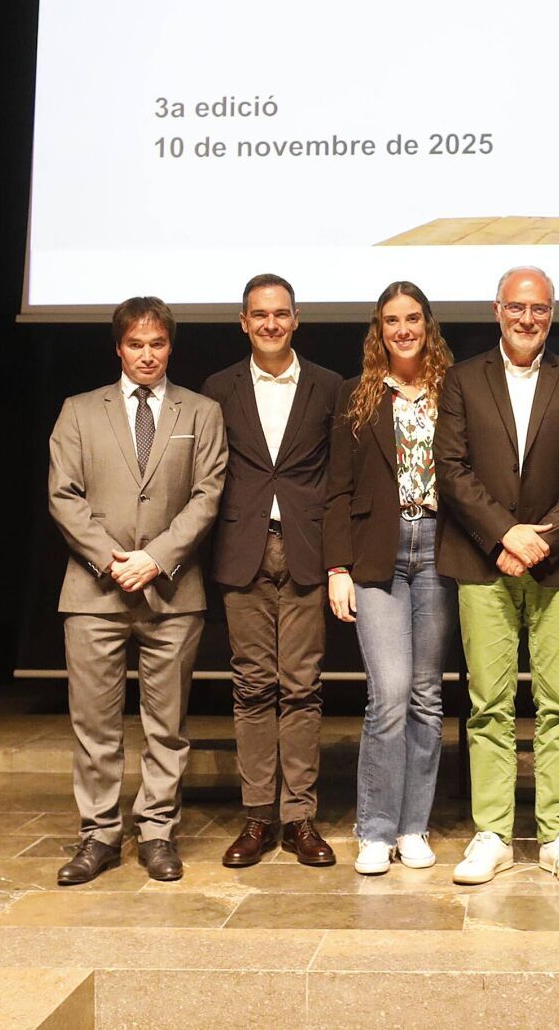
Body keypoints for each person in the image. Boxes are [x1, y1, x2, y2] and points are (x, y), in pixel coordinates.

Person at [436, 266, 559, 887]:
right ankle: (495, 834)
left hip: (558, 563)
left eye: (538, 308)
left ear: (551, 314)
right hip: (484, 560)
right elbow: (451, 469)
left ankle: (558, 835)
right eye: (517, 307)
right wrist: (504, 533)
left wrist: (541, 538)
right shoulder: (461, 379)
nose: (527, 318)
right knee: (489, 705)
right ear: (497, 310)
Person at [46, 297, 226, 885]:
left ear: (171, 347)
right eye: (135, 345)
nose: (147, 355)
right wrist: (111, 559)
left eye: (157, 344)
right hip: (94, 591)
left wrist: (155, 559)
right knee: (94, 723)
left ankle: (156, 832)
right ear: (118, 348)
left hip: (172, 591)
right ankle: (98, 835)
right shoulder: (78, 411)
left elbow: (207, 496)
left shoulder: (201, 412)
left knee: (166, 724)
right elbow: (63, 496)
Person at [203, 274, 344, 868]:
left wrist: (341, 560)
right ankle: (258, 816)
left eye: (280, 314)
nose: (270, 323)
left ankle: (300, 819)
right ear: (243, 321)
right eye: (259, 314)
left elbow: (339, 482)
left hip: (307, 552)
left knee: (302, 689)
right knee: (253, 688)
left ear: (296, 319)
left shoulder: (328, 386)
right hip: (244, 552)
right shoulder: (218, 388)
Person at [324, 282, 457, 876]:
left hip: (439, 550)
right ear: (378, 330)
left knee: (428, 697)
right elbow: (336, 490)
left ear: (428, 324)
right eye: (390, 321)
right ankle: (374, 829)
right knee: (391, 693)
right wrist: (337, 567)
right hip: (377, 556)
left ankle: (413, 826)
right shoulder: (359, 395)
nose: (402, 329)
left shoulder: (455, 392)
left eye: (412, 319)